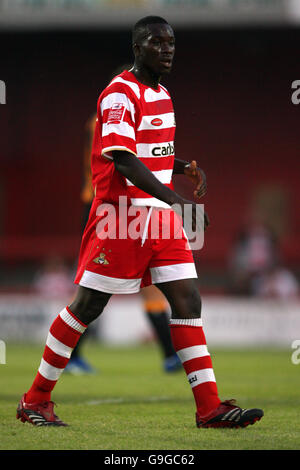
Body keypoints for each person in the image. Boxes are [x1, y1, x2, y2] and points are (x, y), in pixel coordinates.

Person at [16, 16, 263, 428]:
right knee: (87, 306)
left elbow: (151, 153)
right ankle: (35, 400)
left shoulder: (163, 93)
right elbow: (124, 159)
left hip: (160, 219)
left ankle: (209, 408)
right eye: (157, 42)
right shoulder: (118, 95)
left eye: (171, 43)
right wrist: (176, 198)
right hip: (121, 217)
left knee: (188, 301)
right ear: (137, 47)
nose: (167, 49)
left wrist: (181, 168)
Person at [66, 107, 181, 374]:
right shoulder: (107, 120)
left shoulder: (104, 120)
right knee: (95, 286)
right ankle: (69, 356)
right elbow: (126, 161)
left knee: (149, 279)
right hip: (107, 205)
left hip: (131, 205)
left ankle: (170, 354)